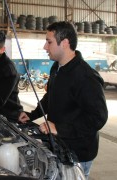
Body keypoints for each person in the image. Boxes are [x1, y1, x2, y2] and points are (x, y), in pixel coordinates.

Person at [18, 21, 108, 179]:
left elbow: (98, 118)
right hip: (58, 145)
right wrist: (32, 115)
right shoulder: (56, 68)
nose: (45, 47)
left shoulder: (86, 77)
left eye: (49, 42)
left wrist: (59, 128)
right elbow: (50, 97)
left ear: (65, 43)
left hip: (78, 154)